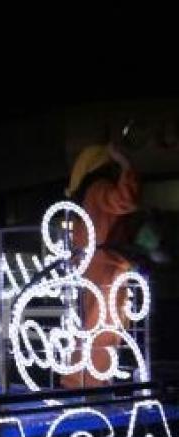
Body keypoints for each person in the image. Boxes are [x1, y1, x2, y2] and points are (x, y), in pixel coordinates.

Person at [61, 143, 141, 388]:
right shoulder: (100, 190)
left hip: (93, 267)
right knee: (103, 328)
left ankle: (80, 381)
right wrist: (127, 165)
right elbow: (126, 200)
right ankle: (92, 384)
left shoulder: (86, 196)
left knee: (93, 328)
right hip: (107, 268)